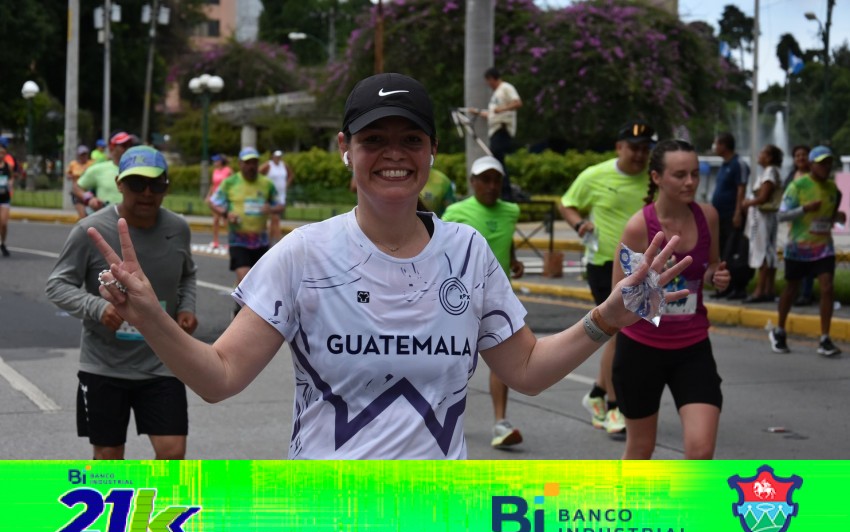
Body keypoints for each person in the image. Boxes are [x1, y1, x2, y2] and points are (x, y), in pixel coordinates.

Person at [85, 73, 690, 460]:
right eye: (374, 140)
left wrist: (606, 318)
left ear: (432, 152)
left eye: (411, 139)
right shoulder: (303, 253)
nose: (393, 154)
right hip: (326, 521)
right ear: (346, 150)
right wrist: (151, 315)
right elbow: (220, 378)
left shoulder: (467, 252)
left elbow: (527, 371)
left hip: (437, 524)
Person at [45, 146, 198, 459]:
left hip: (162, 363)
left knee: (173, 455)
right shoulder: (90, 230)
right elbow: (57, 285)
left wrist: (186, 307)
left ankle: (158, 497)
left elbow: (187, 275)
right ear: (119, 184)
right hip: (104, 365)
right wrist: (99, 308)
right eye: (136, 183)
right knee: (109, 457)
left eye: (156, 184)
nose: (147, 193)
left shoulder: (178, 229)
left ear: (166, 187)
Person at [612, 139, 729, 460]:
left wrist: (716, 276)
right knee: (641, 449)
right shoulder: (639, 227)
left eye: (695, 174)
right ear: (657, 177)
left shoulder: (708, 217)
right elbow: (616, 297)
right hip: (641, 350)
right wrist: (651, 289)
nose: (690, 182)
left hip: (692, 348)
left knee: (701, 451)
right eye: (680, 175)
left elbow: (711, 265)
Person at [558, 121, 657, 435]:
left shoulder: (654, 178)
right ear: (619, 147)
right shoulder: (595, 175)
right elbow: (567, 203)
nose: (639, 155)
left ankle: (598, 393)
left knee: (623, 333)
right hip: (605, 265)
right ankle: (615, 406)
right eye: (633, 148)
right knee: (619, 331)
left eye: (645, 149)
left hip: (644, 268)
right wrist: (579, 225)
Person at [442, 156, 524, 448]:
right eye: (485, 180)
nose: (491, 186)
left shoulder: (511, 211)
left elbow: (506, 238)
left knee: (503, 362)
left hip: (498, 299)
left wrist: (513, 259)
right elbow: (441, 247)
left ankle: (501, 423)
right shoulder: (455, 212)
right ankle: (442, 416)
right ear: (472, 182)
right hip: (458, 299)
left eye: (496, 180)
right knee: (453, 363)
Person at [769, 145, 846, 357]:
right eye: (821, 163)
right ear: (812, 165)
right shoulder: (798, 186)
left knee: (827, 287)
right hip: (798, 248)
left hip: (823, 248)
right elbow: (781, 216)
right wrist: (805, 209)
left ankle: (824, 338)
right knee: (792, 288)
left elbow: (830, 216)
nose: (826, 167)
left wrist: (838, 217)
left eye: (828, 163)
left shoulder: (833, 189)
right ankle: (780, 331)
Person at [209, 147, 282, 308]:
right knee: (245, 279)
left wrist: (270, 208)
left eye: (254, 162)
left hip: (261, 242)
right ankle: (242, 310)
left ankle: (240, 301)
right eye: (247, 163)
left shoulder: (266, 183)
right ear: (240, 164)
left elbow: (280, 205)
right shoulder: (230, 183)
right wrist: (226, 213)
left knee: (260, 283)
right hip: (238, 240)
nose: (251, 166)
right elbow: (213, 202)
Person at [470, 68, 522, 200]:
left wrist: (501, 109)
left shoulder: (506, 88)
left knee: (497, 160)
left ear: (491, 79)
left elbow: (517, 103)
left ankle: (506, 192)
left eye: (488, 81)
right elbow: (492, 114)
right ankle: (504, 191)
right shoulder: (496, 94)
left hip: (501, 129)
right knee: (497, 159)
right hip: (495, 130)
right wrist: (477, 112)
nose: (488, 84)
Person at [740, 144, 784, 303]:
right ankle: (768, 289)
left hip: (762, 217)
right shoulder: (774, 171)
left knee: (761, 253)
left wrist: (747, 203)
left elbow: (764, 197)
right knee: (769, 252)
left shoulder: (769, 172)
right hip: (769, 217)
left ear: (770, 157)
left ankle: (759, 291)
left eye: (762, 153)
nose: (759, 155)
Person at [710, 132, 750, 299]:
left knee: (734, 251)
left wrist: (738, 212)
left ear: (724, 145)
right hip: (720, 216)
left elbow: (741, 189)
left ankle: (738, 287)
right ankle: (725, 287)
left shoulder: (738, 164)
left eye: (717, 143)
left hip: (732, 215)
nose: (715, 147)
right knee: (723, 253)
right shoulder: (724, 165)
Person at [73, 132, 135, 213]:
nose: (128, 149)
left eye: (130, 145)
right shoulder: (98, 168)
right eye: (124, 145)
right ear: (112, 147)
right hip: (106, 218)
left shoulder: (138, 170)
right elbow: (76, 187)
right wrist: (89, 199)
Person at [784, 145, 815, 306]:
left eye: (804, 155)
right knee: (796, 258)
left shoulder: (814, 177)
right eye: (797, 155)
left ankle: (806, 292)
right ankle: (795, 292)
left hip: (810, 223)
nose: (801, 158)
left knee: (809, 257)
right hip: (794, 222)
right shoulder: (791, 177)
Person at [259, 150, 294, 244]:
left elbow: (291, 175)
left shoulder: (284, 165)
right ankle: (280, 242)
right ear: (272, 157)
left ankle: (269, 242)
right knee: (276, 218)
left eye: (279, 157)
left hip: (281, 195)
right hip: (271, 195)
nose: (278, 158)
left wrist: (286, 185)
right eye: (276, 156)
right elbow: (258, 174)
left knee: (274, 220)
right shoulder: (268, 165)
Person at [206, 153, 233, 249]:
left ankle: (231, 242)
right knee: (215, 220)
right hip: (216, 198)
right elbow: (213, 184)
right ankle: (215, 241)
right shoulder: (215, 171)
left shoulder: (228, 170)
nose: (214, 162)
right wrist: (209, 196)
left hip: (225, 198)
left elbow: (232, 183)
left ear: (221, 162)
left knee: (226, 221)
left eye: (216, 160)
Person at [66, 145, 94, 219]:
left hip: (89, 192)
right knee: (83, 217)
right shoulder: (73, 164)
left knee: (90, 216)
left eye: (85, 154)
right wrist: (74, 176)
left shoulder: (91, 164)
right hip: (77, 193)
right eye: (82, 155)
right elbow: (68, 175)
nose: (84, 157)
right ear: (78, 155)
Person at [0, 144, 15, 257]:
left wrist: (10, 184)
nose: (1, 155)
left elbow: (11, 177)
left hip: (4, 197)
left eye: (3, 153)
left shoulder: (8, 166)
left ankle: (3, 243)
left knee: (4, 223)